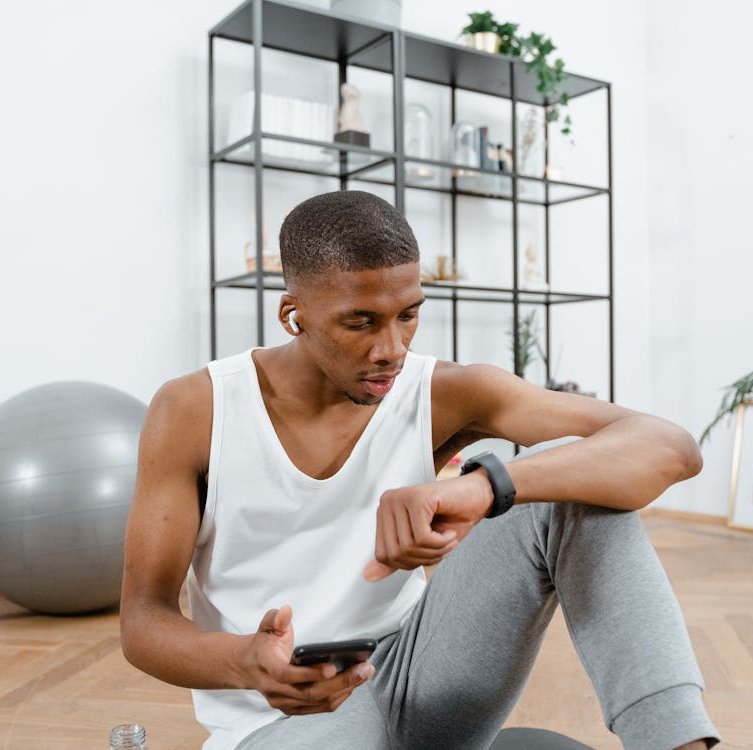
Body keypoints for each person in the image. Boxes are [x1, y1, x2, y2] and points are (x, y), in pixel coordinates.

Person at [120, 190, 720, 750]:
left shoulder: (445, 391)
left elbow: (670, 447)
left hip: (420, 673)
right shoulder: (195, 409)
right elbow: (143, 621)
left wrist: (486, 486)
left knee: (571, 488)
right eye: (361, 322)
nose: (392, 348)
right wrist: (244, 662)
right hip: (285, 720)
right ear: (292, 314)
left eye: (408, 315)